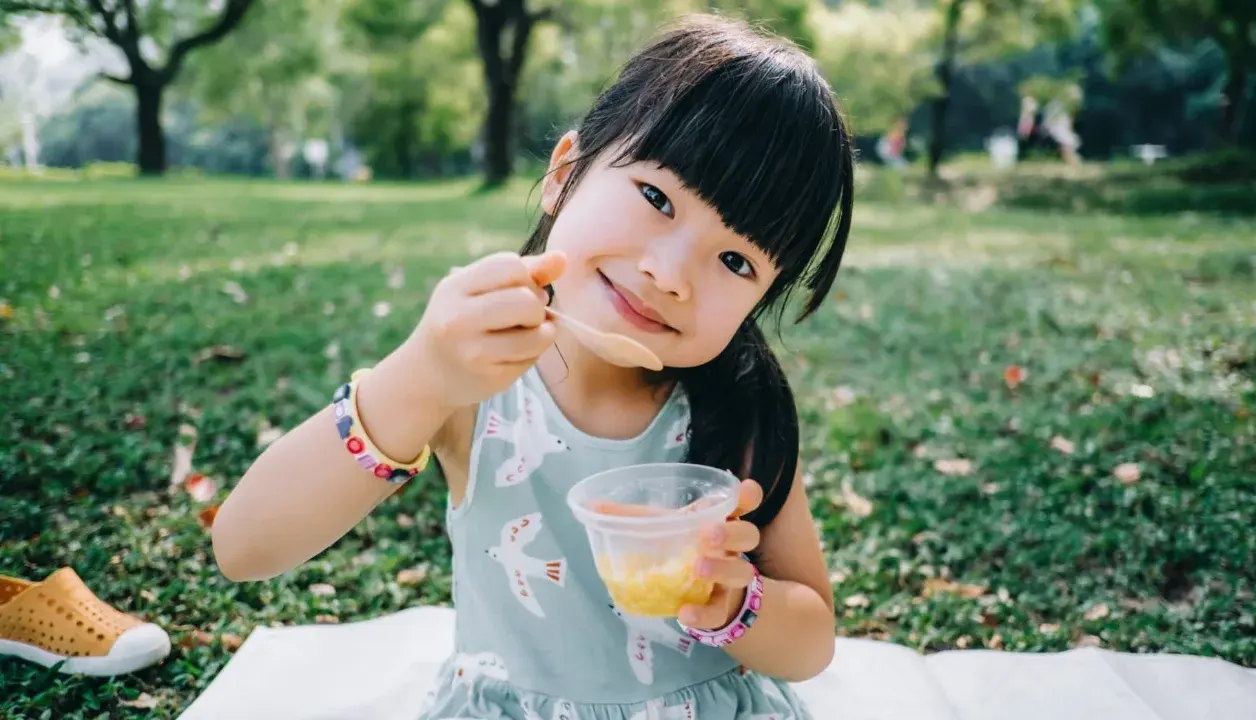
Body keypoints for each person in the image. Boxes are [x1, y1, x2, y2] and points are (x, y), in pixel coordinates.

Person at [211, 13, 854, 720]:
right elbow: (245, 546)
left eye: (735, 260)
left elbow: (812, 640)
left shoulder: (737, 406)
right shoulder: (473, 380)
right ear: (564, 174)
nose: (669, 274)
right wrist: (419, 376)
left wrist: (735, 603)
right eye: (656, 198)